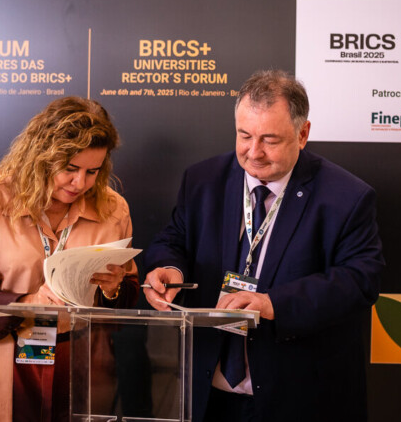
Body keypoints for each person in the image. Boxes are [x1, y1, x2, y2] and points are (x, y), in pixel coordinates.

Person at [143, 70, 384, 422]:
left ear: (302, 134)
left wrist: (273, 304)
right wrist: (170, 268)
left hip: (299, 396)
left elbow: (360, 280)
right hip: (210, 393)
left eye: (270, 140)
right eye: (244, 135)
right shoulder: (202, 180)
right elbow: (174, 238)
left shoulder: (347, 197)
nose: (253, 152)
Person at [0, 96, 140, 421]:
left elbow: (126, 297)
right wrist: (29, 303)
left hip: (75, 362)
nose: (80, 183)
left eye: (92, 171)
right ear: (41, 157)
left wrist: (112, 289)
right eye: (70, 169)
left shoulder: (113, 209)